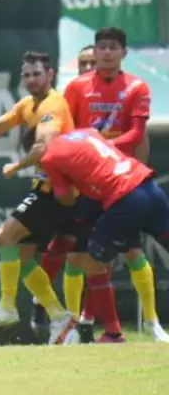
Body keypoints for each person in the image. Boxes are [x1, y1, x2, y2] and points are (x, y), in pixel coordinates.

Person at [0, 51, 78, 344]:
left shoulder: (53, 105)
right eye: (26, 74)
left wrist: (16, 166)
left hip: (56, 192)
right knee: (22, 259)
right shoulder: (28, 105)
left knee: (4, 236)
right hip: (44, 190)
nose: (31, 79)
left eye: (37, 74)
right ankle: (60, 317)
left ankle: (7, 307)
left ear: (50, 75)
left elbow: (43, 147)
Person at [61, 27, 165, 341]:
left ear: (124, 52)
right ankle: (76, 324)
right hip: (90, 186)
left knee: (133, 251)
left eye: (112, 47)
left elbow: (136, 134)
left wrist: (101, 148)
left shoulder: (137, 86)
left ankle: (151, 322)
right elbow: (68, 131)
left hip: (123, 185)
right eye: (101, 47)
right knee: (79, 254)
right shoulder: (76, 87)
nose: (106, 53)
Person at [38, 128, 169, 343]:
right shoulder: (87, 132)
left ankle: (113, 334)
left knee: (93, 263)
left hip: (125, 198)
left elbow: (67, 197)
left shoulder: (50, 156)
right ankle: (134, 325)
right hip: (148, 184)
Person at [32, 45, 97, 334]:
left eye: (92, 63)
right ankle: (45, 305)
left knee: (86, 253)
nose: (87, 69)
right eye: (82, 63)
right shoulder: (67, 96)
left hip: (99, 182)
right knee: (61, 245)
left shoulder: (111, 94)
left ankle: (83, 320)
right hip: (68, 181)